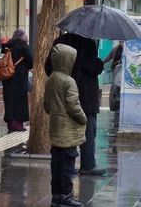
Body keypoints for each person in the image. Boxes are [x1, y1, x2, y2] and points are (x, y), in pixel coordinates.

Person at [45, 32, 106, 176]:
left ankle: (65, 164)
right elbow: (94, 68)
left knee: (64, 129)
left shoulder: (59, 42)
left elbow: (48, 67)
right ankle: (88, 164)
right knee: (88, 131)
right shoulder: (88, 43)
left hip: (62, 95)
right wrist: (100, 62)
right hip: (86, 95)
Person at [44, 44, 87, 207]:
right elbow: (73, 105)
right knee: (68, 165)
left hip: (55, 127)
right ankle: (66, 196)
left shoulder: (52, 79)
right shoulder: (69, 81)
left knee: (56, 164)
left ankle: (57, 195)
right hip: (67, 130)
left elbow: (46, 105)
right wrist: (83, 119)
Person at [1, 29, 33, 132]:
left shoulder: (7, 45)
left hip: (7, 76)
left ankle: (10, 124)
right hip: (19, 77)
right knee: (19, 100)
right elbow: (31, 61)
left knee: (9, 99)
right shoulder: (23, 45)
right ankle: (18, 125)